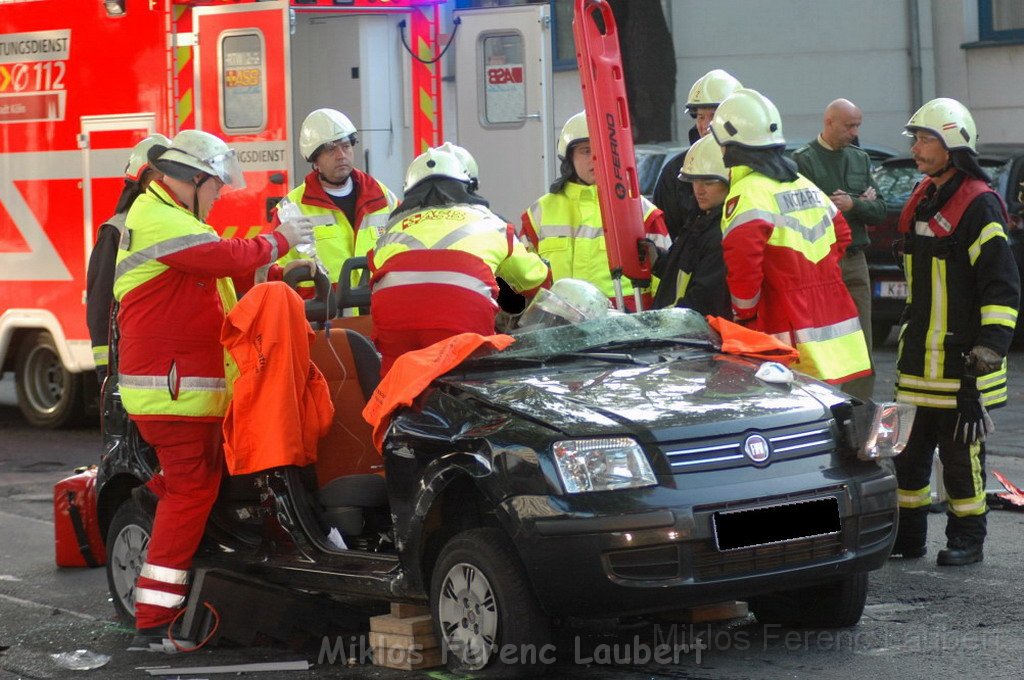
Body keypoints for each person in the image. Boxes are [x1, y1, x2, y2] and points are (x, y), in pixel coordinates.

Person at [113, 129, 313, 650]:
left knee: (198, 482)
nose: (220, 195)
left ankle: (155, 504)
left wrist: (276, 271)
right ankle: (154, 623)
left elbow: (226, 290)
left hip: (175, 391)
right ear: (194, 180)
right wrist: (280, 238)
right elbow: (227, 257)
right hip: (171, 392)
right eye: (216, 187)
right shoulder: (159, 217)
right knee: (193, 490)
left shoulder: (169, 218)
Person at [891, 98, 1020, 566]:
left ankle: (968, 538)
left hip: (961, 360)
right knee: (907, 455)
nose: (917, 146)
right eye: (917, 138)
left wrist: (989, 348)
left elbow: (1002, 287)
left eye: (927, 139)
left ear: (953, 146)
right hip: (916, 359)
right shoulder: (925, 195)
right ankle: (908, 537)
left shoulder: (979, 205)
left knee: (961, 456)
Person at [709, 88, 871, 385]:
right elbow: (842, 233)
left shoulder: (748, 193)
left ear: (730, 143)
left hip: (786, 331)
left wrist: (745, 315)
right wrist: (815, 274)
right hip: (834, 322)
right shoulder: (804, 184)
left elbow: (743, 267)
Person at [370, 145, 549, 375]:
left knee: (396, 384)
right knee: (472, 385)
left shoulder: (391, 229)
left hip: (394, 322)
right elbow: (534, 278)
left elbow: (375, 269)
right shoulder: (492, 224)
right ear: (468, 186)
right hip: (461, 322)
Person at [520, 111, 670, 311]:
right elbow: (522, 283)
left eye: (604, 150)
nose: (596, 158)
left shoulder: (642, 212)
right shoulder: (539, 213)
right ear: (569, 158)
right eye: (585, 150)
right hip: (558, 329)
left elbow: (667, 285)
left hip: (628, 330)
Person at [793, 99, 887, 402]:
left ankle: (860, 408)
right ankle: (823, 403)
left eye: (858, 125)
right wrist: (849, 204)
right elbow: (803, 212)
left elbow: (879, 210)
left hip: (855, 259)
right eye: (849, 126)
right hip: (821, 262)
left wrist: (854, 203)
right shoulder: (804, 160)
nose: (854, 132)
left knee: (862, 340)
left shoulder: (860, 159)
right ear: (829, 122)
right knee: (821, 340)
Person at [265, 108, 398, 291]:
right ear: (315, 160)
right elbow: (273, 270)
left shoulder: (382, 197)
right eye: (330, 149)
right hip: (324, 315)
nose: (341, 155)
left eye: (346, 146)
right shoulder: (291, 209)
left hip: (377, 311)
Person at [86, 133, 170, 383]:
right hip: (129, 364)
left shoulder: (180, 225)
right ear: (143, 181)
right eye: (162, 175)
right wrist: (107, 371)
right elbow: (101, 305)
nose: (169, 182)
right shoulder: (116, 231)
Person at [652, 69, 742, 240]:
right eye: (700, 117)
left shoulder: (750, 169)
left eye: (714, 116)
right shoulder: (675, 172)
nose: (706, 125)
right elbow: (664, 237)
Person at [651, 134, 731, 317]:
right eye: (694, 180)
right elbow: (685, 274)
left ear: (729, 182)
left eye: (708, 182)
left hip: (689, 336)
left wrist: (659, 323)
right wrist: (658, 261)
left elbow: (703, 300)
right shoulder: (699, 221)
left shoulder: (720, 234)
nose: (698, 190)